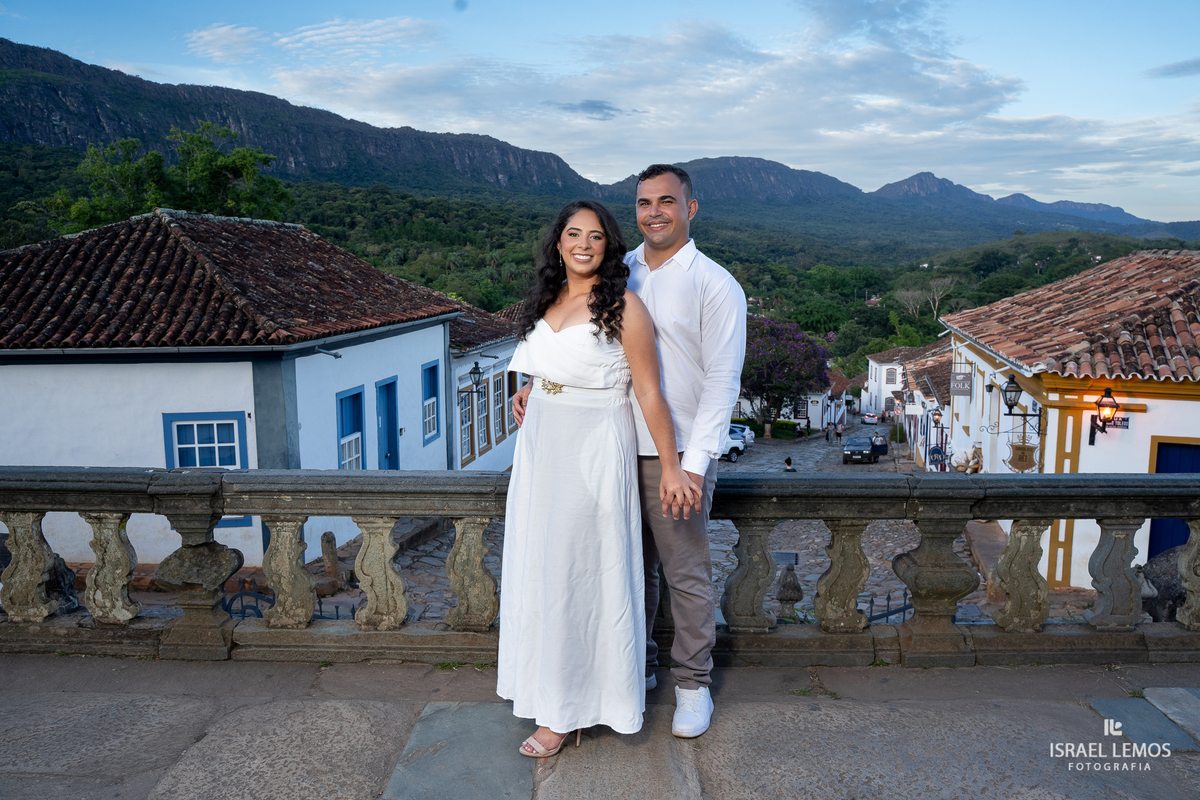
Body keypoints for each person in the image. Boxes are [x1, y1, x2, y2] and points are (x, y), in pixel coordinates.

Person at [499, 200, 701, 759]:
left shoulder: (624, 306)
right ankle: (546, 690)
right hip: (542, 449)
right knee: (541, 569)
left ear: (609, 246)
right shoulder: (545, 299)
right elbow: (554, 363)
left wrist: (672, 467)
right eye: (573, 234)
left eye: (595, 236)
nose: (583, 244)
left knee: (580, 575)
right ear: (558, 243)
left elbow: (649, 391)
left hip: (591, 448)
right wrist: (533, 386)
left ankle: (567, 712)